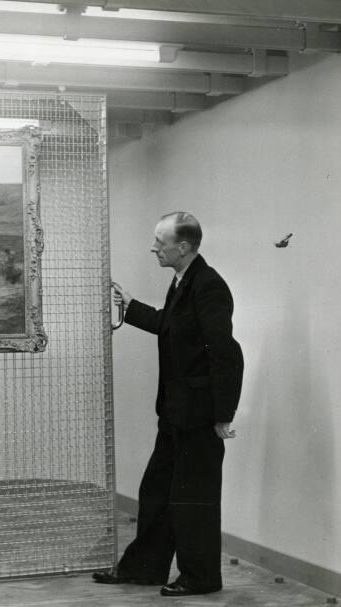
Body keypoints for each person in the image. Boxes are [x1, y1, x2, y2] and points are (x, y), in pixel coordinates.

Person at [94, 212, 244, 597]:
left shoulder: (209, 286)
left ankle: (201, 578)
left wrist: (223, 415)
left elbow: (225, 353)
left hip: (200, 415)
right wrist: (130, 305)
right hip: (177, 412)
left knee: (194, 499)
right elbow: (172, 327)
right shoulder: (183, 281)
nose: (153, 248)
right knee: (157, 492)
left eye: (160, 242)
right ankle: (145, 569)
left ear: (183, 246)